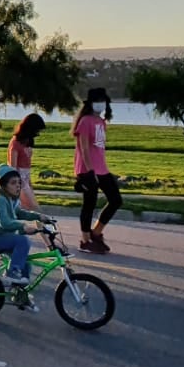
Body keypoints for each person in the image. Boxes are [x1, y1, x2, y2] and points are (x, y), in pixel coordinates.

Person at [73, 87, 122, 254]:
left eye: (103, 100)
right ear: (91, 103)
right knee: (89, 204)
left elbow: (99, 149)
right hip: (88, 169)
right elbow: (84, 149)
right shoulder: (85, 121)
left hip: (102, 169)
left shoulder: (101, 122)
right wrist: (90, 172)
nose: (100, 104)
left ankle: (96, 232)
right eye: (97, 100)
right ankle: (85, 241)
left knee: (116, 200)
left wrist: (102, 169)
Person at [0, 165, 47, 288]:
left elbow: (20, 213)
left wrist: (39, 217)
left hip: (5, 235)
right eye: (13, 183)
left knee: (25, 264)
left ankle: (20, 295)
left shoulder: (13, 200)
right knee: (23, 241)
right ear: (3, 185)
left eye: (19, 182)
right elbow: (4, 222)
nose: (18, 186)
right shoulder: (0, 201)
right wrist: (23, 227)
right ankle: (11, 274)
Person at [7, 113, 46, 211]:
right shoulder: (15, 142)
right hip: (19, 180)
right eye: (37, 130)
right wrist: (16, 185)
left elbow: (27, 166)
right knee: (34, 207)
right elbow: (13, 167)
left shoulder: (27, 141)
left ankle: (41, 226)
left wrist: (29, 184)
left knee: (30, 207)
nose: (38, 133)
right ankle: (43, 226)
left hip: (26, 179)